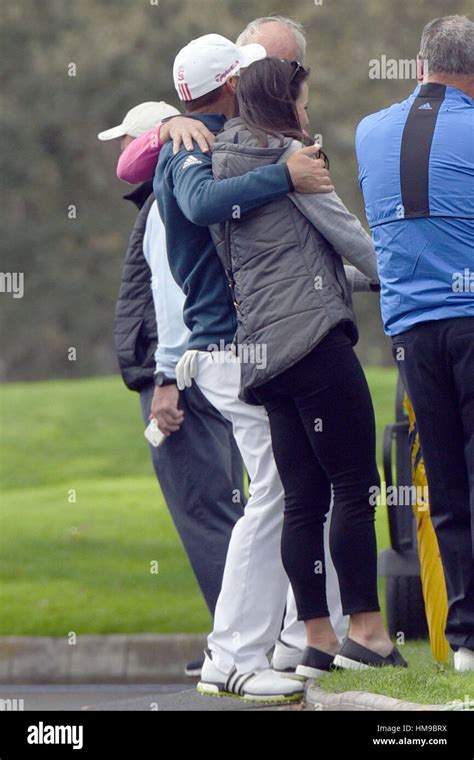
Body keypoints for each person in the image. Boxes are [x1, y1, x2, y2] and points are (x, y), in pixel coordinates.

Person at [152, 30, 350, 703]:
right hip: (230, 349)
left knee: (295, 491)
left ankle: (300, 635)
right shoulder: (191, 143)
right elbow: (205, 205)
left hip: (245, 346)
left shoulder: (202, 132)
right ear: (233, 83)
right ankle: (233, 654)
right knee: (278, 495)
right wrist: (286, 175)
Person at [206, 57, 406, 675]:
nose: (307, 113)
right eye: (303, 101)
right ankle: (368, 633)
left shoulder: (224, 166)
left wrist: (366, 285)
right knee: (355, 486)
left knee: (303, 500)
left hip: (264, 356)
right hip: (315, 346)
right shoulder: (294, 162)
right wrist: (409, 276)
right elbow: (350, 238)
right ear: (282, 104)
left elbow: (282, 270)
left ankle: (317, 639)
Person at [98, 101, 245, 677]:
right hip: (203, 370)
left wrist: (164, 382)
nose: (119, 154)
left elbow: (175, 304)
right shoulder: (174, 197)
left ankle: (237, 643)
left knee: (205, 512)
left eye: (126, 142)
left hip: (182, 379)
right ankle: (242, 635)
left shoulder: (164, 201)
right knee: (226, 507)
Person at [356, 15, 474, 672]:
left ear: (420, 63)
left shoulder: (369, 131)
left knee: (447, 482)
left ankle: (465, 642)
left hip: (411, 333)